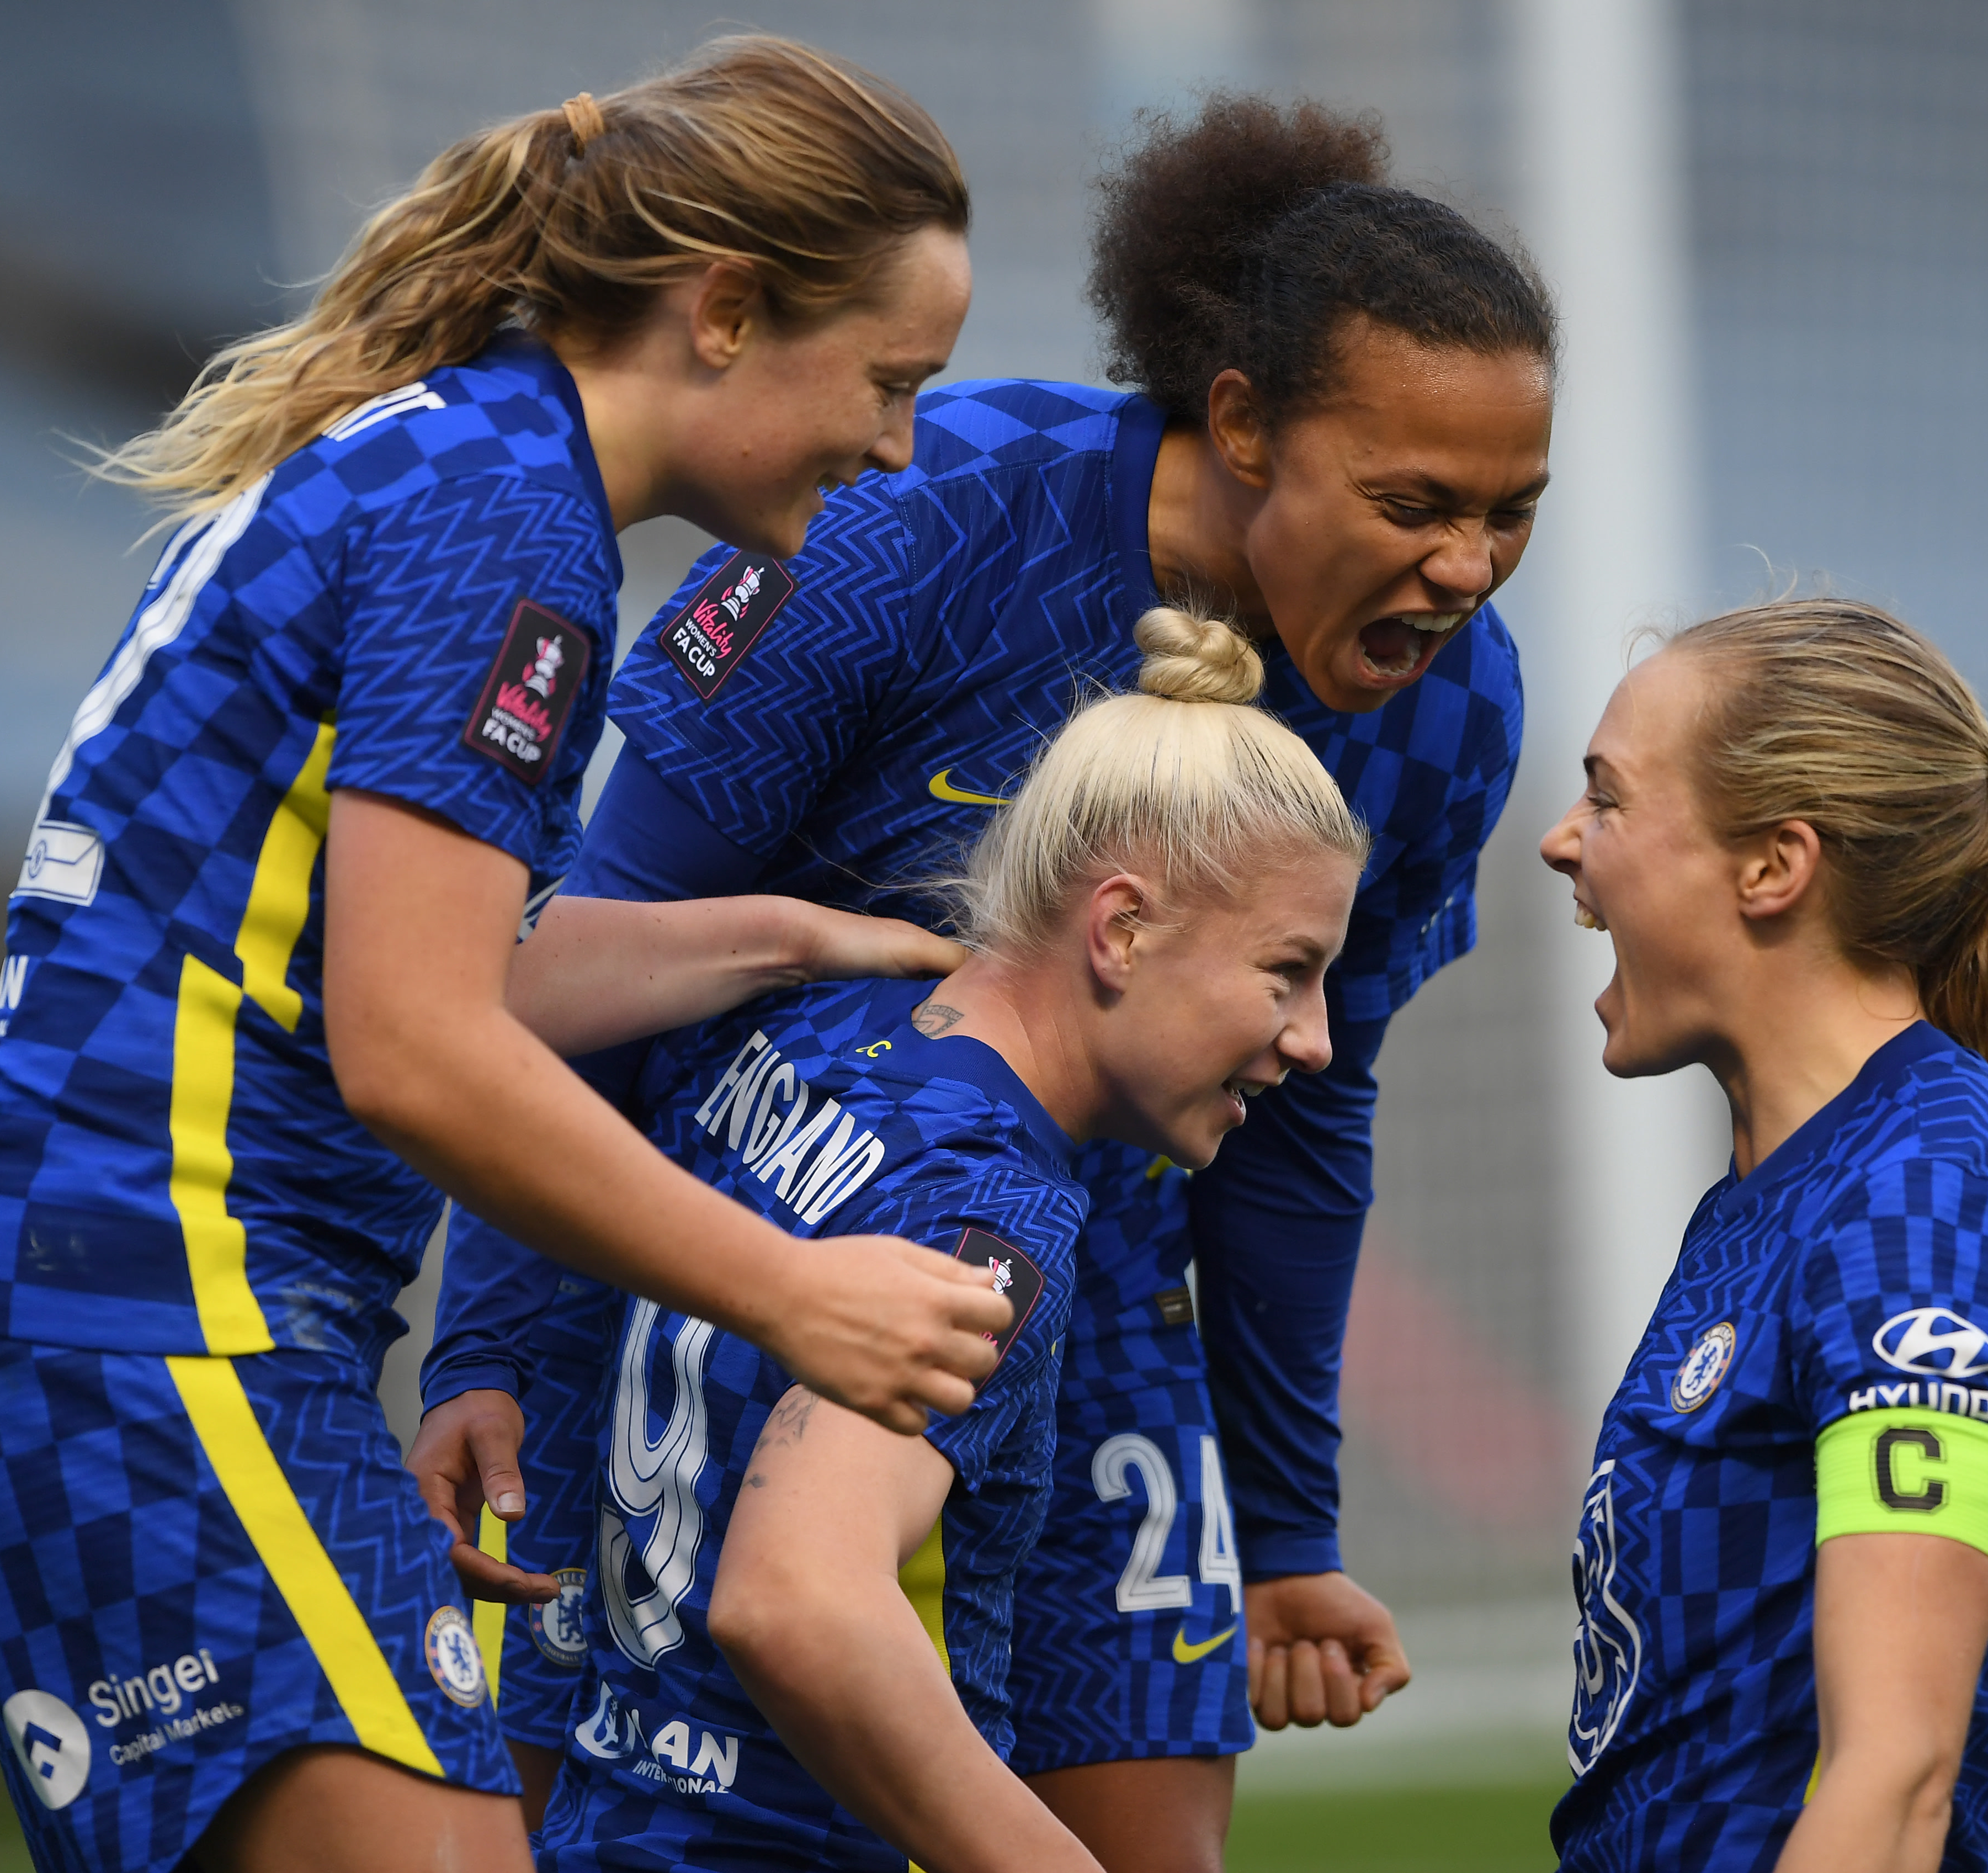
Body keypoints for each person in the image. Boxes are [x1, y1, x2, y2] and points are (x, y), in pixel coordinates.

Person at [0, 39, 1013, 1873]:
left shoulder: (453, 454)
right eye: (890, 382)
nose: (892, 443)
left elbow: (391, 973)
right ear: (724, 310)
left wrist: (784, 935)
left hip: (143, 1325)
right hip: (157, 1323)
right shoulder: (511, 519)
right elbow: (416, 1049)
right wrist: (794, 1293)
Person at [410, 95, 1551, 1870]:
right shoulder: (904, 529)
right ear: (1240, 424)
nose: (1466, 569)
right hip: (727, 1281)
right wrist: (490, 1339)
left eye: (1510, 515)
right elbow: (569, 962)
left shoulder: (1457, 708)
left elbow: (1307, 1109)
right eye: (1415, 503)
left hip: (1092, 1336)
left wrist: (1292, 1520)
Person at [520, 609, 1368, 1872]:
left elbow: (477, 985)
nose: (1316, 1040)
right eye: (1287, 971)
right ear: (1121, 929)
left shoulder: (804, 1029)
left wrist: (789, 940)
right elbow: (796, 1598)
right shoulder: (996, 1211)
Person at [1539, 600, 1988, 1873]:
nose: (1559, 840)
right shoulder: (1797, 1184)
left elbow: (1896, 1779)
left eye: (1608, 797)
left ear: (1772, 864)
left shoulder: (1926, 1198)